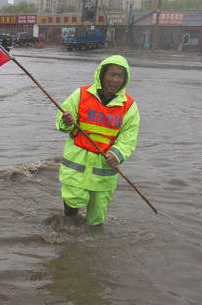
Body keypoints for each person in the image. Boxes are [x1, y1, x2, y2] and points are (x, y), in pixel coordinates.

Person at [55, 55, 140, 226]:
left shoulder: (129, 106)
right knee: (73, 201)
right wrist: (67, 122)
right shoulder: (81, 94)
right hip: (77, 164)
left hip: (104, 169)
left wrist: (117, 154)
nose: (115, 80)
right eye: (112, 75)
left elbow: (128, 138)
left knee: (97, 217)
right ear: (102, 75)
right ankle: (68, 228)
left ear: (125, 80)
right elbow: (61, 121)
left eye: (120, 76)